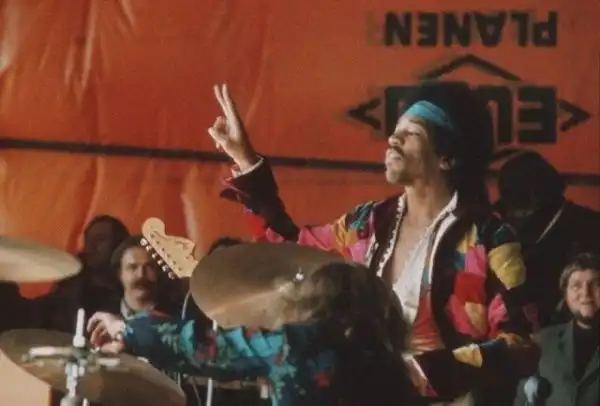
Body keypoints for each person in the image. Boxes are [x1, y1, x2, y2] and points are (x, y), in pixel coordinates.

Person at [210, 82, 539, 405]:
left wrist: (421, 373)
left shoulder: (490, 240)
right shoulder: (368, 223)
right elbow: (291, 252)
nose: (393, 139)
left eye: (411, 133)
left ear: (446, 159)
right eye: (395, 130)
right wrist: (245, 159)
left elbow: (520, 345)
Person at [88, 261, 425, 406]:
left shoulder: (299, 344)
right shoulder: (394, 366)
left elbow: (205, 348)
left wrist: (127, 329)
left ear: (316, 300)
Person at [494, 150, 600, 327]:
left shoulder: (585, 237)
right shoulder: (545, 234)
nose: (505, 218)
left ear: (534, 202)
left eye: (508, 208)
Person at [514, 251, 599, 406]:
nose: (586, 293)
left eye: (595, 284)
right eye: (576, 286)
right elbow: (522, 399)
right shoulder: (543, 342)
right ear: (565, 295)